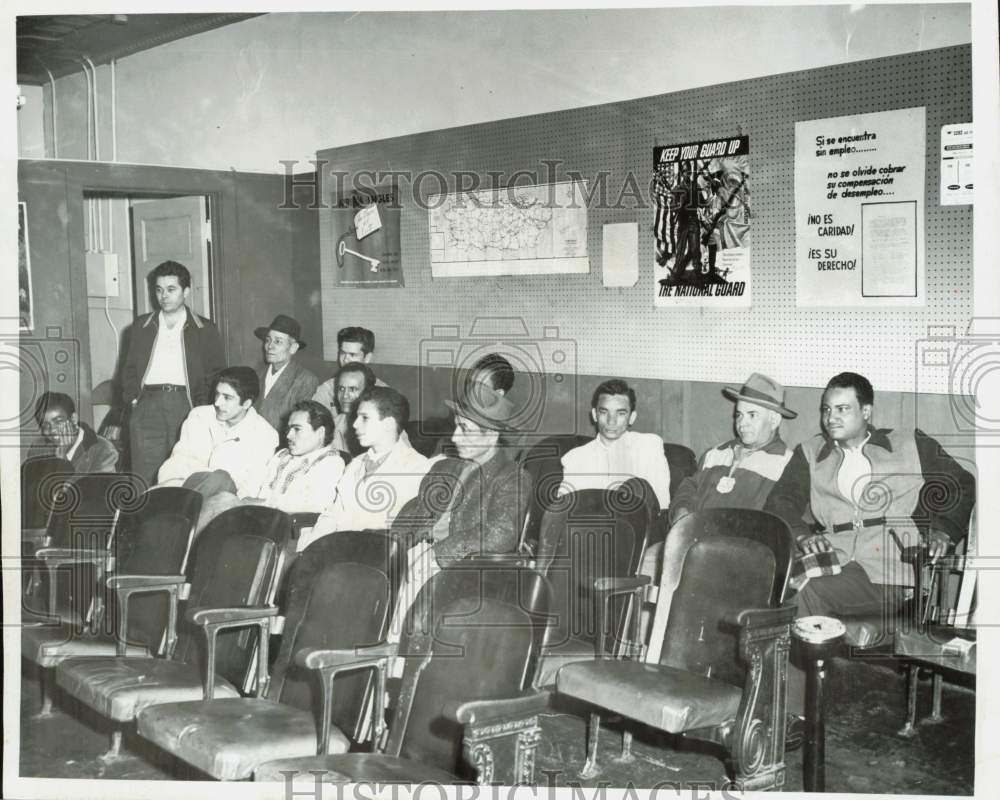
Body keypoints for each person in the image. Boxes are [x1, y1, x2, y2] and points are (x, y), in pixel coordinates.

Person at [764, 371, 975, 722]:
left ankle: (794, 715)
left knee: (808, 592)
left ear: (866, 412)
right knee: (780, 582)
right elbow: (779, 503)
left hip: (892, 566)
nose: (831, 418)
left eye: (842, 409)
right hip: (835, 555)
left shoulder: (909, 443)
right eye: (826, 409)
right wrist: (802, 534)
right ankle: (779, 697)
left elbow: (960, 483)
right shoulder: (811, 452)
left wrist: (942, 532)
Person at [399, 383, 532, 566]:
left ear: (492, 435)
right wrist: (393, 549)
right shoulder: (442, 468)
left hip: (461, 568)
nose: (454, 437)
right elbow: (411, 515)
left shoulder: (512, 477)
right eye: (456, 427)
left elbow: (501, 533)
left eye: (465, 430)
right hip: (415, 555)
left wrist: (438, 553)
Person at [119, 261, 225, 486]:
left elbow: (215, 374)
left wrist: (201, 409)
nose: (163, 296)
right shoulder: (141, 326)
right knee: (144, 476)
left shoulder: (204, 329)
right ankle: (144, 521)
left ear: (186, 291)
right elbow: (128, 370)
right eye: (158, 290)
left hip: (186, 404)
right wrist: (134, 399)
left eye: (171, 289)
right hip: (148, 405)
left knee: (184, 473)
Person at [302, 387, 428, 549]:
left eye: (365, 418)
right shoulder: (356, 463)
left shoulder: (416, 467)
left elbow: (399, 531)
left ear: (389, 424)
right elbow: (333, 514)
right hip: (340, 551)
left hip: (378, 557)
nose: (355, 424)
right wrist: (311, 547)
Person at [193, 399, 345, 533]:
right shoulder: (283, 455)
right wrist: (241, 499)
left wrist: (263, 503)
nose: (288, 435)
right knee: (219, 493)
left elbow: (313, 505)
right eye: (289, 429)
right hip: (258, 516)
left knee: (223, 502)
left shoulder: (331, 462)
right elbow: (257, 483)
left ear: (320, 433)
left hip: (284, 526)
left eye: (297, 429)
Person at [670, 372, 795, 523]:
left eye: (752, 415)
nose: (742, 423)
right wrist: (682, 508)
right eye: (739, 415)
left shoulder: (786, 463)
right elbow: (690, 486)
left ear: (774, 420)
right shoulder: (715, 454)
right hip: (696, 536)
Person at [157, 366, 278, 498]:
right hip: (184, 491)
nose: (217, 402)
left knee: (221, 479)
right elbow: (177, 463)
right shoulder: (199, 416)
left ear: (246, 404)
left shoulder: (265, 435)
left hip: (226, 504)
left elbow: (251, 489)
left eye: (227, 397)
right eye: (217, 394)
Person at [560, 378, 671, 510]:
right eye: (604, 412)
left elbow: (661, 505)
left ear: (632, 417)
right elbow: (562, 512)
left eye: (620, 413)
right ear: (595, 415)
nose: (611, 421)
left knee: (637, 487)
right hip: (589, 527)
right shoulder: (575, 458)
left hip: (638, 527)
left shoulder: (648, 446)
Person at [253, 314, 319, 436]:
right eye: (268, 340)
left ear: (293, 348)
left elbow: (301, 426)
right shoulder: (257, 374)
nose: (270, 346)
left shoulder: (306, 380)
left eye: (278, 341)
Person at [29, 391, 118, 472]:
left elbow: (91, 489)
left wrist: (62, 459)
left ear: (73, 419)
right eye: (45, 425)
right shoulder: (38, 449)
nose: (52, 429)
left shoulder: (103, 450)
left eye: (58, 421)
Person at [312, 362, 376, 456]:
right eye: (341, 389)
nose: (345, 396)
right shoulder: (335, 424)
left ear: (368, 392)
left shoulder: (383, 424)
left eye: (353, 389)